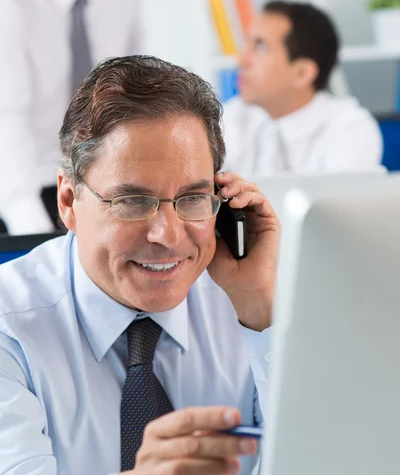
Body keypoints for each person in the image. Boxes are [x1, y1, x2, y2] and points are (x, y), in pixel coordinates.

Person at [0, 55, 278, 475]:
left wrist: (261, 315)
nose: (167, 235)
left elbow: (333, 455)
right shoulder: (10, 328)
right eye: (132, 201)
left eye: (193, 198)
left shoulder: (246, 299)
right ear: (69, 202)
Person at [0, 0, 142, 235]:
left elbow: (131, 100)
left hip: (97, 187)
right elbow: (8, 118)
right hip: (22, 191)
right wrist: (34, 232)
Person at [223, 0, 383, 177]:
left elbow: (335, 203)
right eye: (246, 44)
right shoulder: (233, 117)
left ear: (302, 73)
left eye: (260, 46)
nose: (241, 60)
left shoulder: (350, 129)